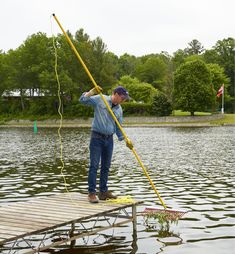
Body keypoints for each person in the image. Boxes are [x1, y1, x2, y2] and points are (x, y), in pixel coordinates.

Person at [79, 86, 133, 203]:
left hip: (109, 140)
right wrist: (91, 92)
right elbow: (82, 100)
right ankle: (91, 193)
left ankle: (103, 192)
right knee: (94, 165)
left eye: (125, 99)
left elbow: (118, 128)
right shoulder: (100, 99)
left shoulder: (119, 110)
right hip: (96, 138)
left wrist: (126, 140)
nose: (123, 100)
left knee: (106, 166)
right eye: (122, 98)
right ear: (116, 94)